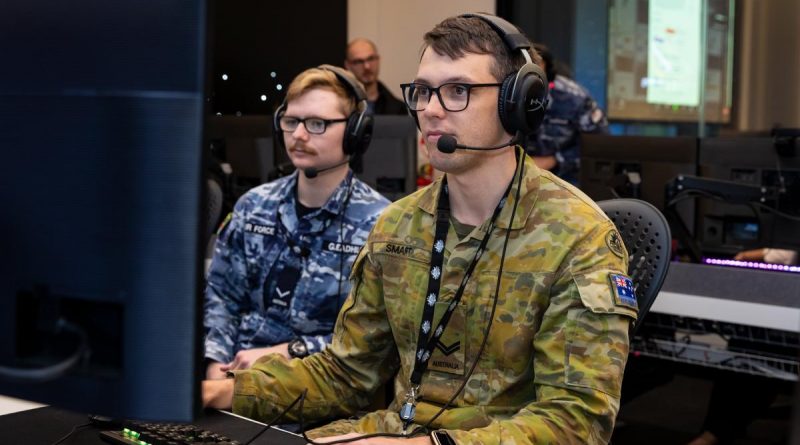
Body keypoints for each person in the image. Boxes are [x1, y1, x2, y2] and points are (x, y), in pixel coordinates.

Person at [204, 14, 637, 445]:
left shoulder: (579, 237)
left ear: (516, 103)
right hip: (391, 432)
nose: (429, 110)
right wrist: (227, 391)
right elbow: (348, 374)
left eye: (457, 91)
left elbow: (577, 423)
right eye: (424, 91)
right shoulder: (398, 226)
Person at [203, 65, 391, 379]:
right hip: (231, 383)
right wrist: (214, 367)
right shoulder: (254, 205)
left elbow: (375, 339)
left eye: (317, 123)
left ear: (356, 132)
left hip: (313, 394)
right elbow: (221, 297)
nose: (299, 135)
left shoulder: (380, 224)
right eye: (291, 122)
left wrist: (291, 351)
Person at [526, 43, 608, 186]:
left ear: (548, 69)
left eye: (536, 65)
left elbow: (599, 143)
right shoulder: (505, 94)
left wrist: (554, 160)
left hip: (566, 181)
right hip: (517, 177)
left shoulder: (575, 98)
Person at [345, 38, 407, 115]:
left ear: (378, 60)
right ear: (348, 65)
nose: (367, 66)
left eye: (370, 59)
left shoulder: (398, 109)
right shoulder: (339, 105)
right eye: (359, 61)